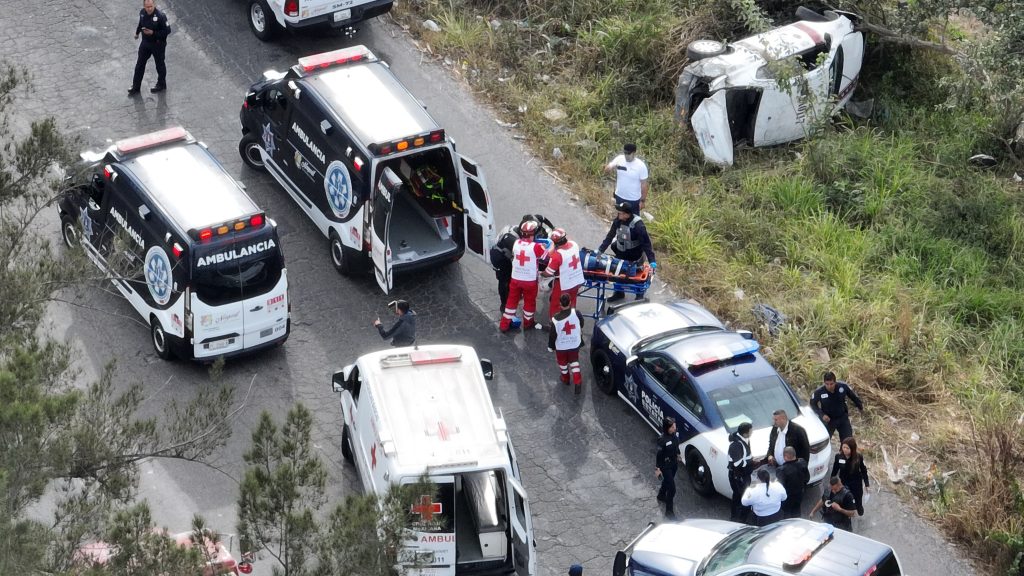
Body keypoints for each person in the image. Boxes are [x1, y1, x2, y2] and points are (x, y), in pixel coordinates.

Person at [597, 202, 657, 302]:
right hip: (621, 252)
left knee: (637, 275)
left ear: (626, 214)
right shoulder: (618, 221)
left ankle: (639, 295)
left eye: (620, 213)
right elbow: (610, 236)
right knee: (617, 272)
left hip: (635, 254)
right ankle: (619, 293)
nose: (618, 214)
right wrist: (600, 250)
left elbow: (647, 244)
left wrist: (652, 261)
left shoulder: (638, 226)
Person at [499, 220, 547, 332]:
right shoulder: (536, 247)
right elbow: (546, 257)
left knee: (511, 302)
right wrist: (548, 246)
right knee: (529, 303)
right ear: (533, 234)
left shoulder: (516, 244)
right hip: (530, 282)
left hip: (515, 279)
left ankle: (504, 325)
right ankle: (528, 323)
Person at [129, 0, 170, 95]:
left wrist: (153, 33)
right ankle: (135, 87)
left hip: (158, 45)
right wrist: (137, 33)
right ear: (144, 6)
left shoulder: (161, 16)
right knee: (139, 65)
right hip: (145, 43)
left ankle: (161, 84)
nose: (149, 8)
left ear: (154, 5)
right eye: (147, 7)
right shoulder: (142, 13)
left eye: (151, 6)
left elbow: (167, 31)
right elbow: (141, 23)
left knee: (159, 65)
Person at [542, 228, 585, 319]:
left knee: (556, 304)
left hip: (564, 284)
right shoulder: (574, 244)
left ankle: (554, 323)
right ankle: (571, 319)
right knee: (572, 302)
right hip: (576, 280)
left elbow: (548, 273)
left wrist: (540, 273)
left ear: (554, 242)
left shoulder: (557, 255)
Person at [810, 371, 865, 442]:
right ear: (824, 383)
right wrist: (822, 415)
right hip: (829, 420)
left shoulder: (843, 387)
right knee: (823, 442)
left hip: (842, 418)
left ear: (835, 382)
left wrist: (860, 407)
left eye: (831, 384)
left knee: (848, 441)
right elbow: (813, 404)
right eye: (827, 384)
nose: (829, 386)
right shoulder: (819, 392)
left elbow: (854, 397)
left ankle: (843, 452)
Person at [548, 293, 585, 395]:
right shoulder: (576, 313)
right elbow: (581, 323)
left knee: (563, 364)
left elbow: (552, 335)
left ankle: (566, 379)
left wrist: (551, 347)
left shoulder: (555, 319)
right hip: (574, 344)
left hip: (561, 347)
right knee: (574, 362)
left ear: (560, 304)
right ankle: (577, 381)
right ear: (570, 302)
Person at [489, 225, 521, 329]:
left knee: (509, 279)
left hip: (504, 256)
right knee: (504, 282)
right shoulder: (513, 241)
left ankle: (508, 301)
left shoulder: (512, 229)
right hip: (499, 258)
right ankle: (504, 305)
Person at [603, 143, 649, 215]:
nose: (626, 156)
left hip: (633, 200)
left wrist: (642, 201)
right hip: (619, 196)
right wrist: (608, 168)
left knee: (633, 220)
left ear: (634, 153)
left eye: (628, 153)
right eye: (625, 153)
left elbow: (644, 184)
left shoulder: (641, 166)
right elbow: (608, 168)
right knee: (620, 217)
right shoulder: (619, 159)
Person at [831, 437, 870, 516]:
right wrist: (832, 482)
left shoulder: (858, 457)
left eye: (847, 448)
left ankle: (858, 507)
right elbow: (835, 470)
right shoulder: (838, 457)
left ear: (852, 449)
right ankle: (848, 512)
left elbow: (863, 470)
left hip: (856, 483)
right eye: (843, 447)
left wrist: (867, 484)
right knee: (846, 498)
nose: (845, 449)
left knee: (857, 500)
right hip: (844, 482)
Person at [655, 417, 683, 519]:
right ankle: (669, 511)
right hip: (665, 466)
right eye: (672, 427)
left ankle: (661, 495)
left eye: (675, 426)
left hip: (674, 464)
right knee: (672, 489)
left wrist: (678, 454)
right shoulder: (662, 440)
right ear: (667, 428)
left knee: (667, 482)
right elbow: (659, 455)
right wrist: (657, 468)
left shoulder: (674, 435)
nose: (675, 428)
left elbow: (676, 446)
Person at [727, 422, 754, 523]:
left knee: (739, 495)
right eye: (751, 431)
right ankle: (739, 519)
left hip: (743, 474)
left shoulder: (744, 439)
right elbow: (737, 463)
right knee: (740, 495)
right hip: (738, 476)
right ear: (745, 433)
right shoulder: (736, 445)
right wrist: (750, 462)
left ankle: (739, 516)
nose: (752, 432)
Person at [775, 446, 810, 519]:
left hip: (787, 497)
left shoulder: (781, 470)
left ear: (785, 456)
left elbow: (780, 487)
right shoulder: (803, 462)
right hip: (799, 494)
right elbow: (807, 478)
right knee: (797, 511)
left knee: (786, 514)